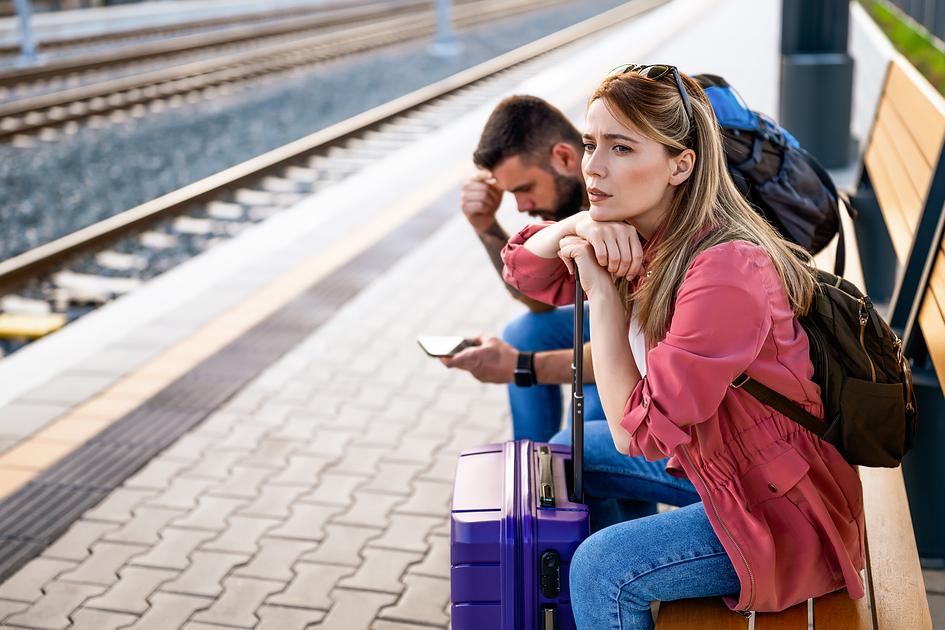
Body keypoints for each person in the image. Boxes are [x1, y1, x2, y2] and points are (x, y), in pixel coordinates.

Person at [501, 65, 865, 628]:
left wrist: (600, 290)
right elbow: (526, 270)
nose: (594, 167)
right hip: (719, 459)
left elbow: (635, 433)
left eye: (621, 148)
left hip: (783, 511)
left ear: (681, 164)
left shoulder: (725, 270)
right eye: (592, 144)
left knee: (602, 567)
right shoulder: (648, 233)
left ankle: (613, 597)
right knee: (566, 452)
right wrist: (582, 222)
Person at [444, 95, 605, 442]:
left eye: (525, 189)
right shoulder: (571, 197)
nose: (520, 206)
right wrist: (485, 225)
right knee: (524, 333)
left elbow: (629, 350)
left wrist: (519, 366)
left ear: (563, 157)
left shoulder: (614, 196)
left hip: (663, 345)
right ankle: (532, 472)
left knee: (591, 421)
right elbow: (541, 302)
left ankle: (592, 486)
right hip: (622, 322)